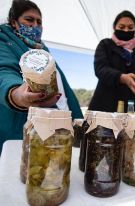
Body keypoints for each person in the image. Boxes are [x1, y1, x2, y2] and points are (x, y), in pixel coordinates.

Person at [0, 0, 83, 153]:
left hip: (54, 123)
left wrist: (76, 119)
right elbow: (3, 72)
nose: (35, 25)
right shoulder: (4, 40)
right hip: (20, 128)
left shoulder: (42, 49)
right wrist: (17, 94)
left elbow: (62, 87)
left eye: (39, 22)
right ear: (14, 22)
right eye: (29, 19)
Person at [88, 10, 135, 112]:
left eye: (130, 27)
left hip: (133, 107)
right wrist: (122, 77)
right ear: (114, 27)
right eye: (121, 27)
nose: (126, 30)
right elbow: (100, 69)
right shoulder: (105, 44)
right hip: (104, 105)